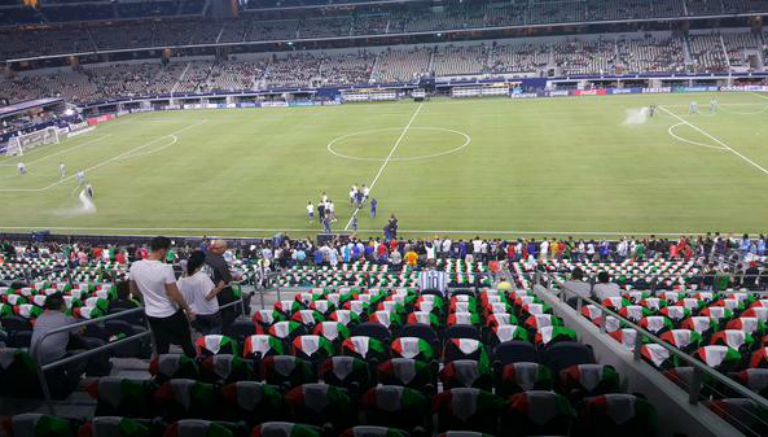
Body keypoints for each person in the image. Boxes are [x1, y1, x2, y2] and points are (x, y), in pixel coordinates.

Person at [129, 236, 196, 357]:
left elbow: (133, 291)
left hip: (151, 314)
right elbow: (174, 294)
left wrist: (149, 297)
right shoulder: (165, 269)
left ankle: (163, 370)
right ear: (162, 251)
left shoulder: (135, 266)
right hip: (170, 313)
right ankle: (195, 368)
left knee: (161, 345)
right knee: (186, 342)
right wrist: (187, 309)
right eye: (168, 250)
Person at [178, 251, 226, 335]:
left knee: (205, 334)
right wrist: (220, 287)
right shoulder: (202, 277)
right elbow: (208, 296)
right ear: (202, 263)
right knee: (213, 336)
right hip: (209, 312)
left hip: (196, 313)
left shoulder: (182, 278)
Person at [205, 239, 242, 328]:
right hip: (220, 292)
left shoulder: (206, 256)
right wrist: (235, 278)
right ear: (220, 248)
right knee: (231, 311)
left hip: (209, 289)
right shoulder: (219, 261)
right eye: (225, 248)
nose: (225, 250)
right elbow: (227, 279)